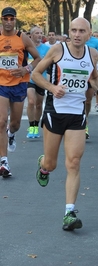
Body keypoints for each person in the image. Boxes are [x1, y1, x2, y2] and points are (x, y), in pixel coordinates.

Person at [31, 17, 98, 231]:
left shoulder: (92, 53)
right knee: (52, 164)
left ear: (89, 34)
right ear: (69, 32)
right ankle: (44, 166)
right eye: (73, 30)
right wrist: (52, 88)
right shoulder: (57, 50)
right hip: (55, 111)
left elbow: (93, 77)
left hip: (77, 113)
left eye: (81, 31)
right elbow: (36, 74)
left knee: (73, 162)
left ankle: (69, 212)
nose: (77, 34)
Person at [0, 7, 41, 178]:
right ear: (1, 20)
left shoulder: (22, 37)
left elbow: (38, 58)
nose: (8, 22)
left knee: (15, 123)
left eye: (11, 19)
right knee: (1, 121)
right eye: (5, 19)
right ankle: (4, 161)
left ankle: (11, 134)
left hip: (19, 84)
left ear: (15, 20)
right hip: (1, 83)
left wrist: (26, 69)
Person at [26, 26, 50, 138]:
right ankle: (31, 126)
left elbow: (51, 64)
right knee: (31, 101)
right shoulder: (26, 48)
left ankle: (36, 124)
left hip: (41, 79)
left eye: (41, 33)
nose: (40, 35)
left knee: (39, 104)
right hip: (29, 78)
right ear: (31, 35)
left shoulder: (46, 49)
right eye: (37, 33)